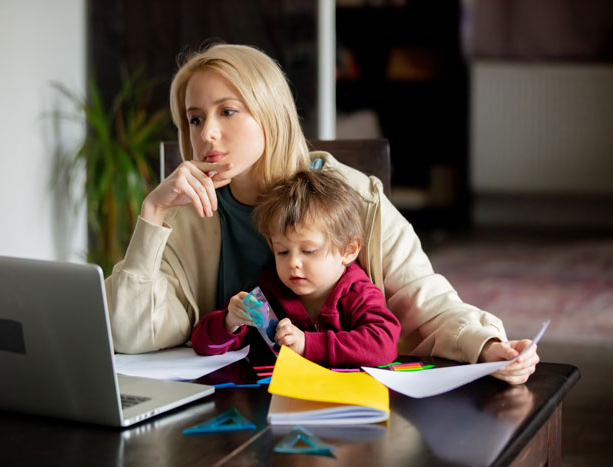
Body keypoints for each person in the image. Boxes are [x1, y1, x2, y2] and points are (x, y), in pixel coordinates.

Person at [104, 43, 539, 384]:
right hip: (231, 400)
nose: (208, 133)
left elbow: (423, 300)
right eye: (195, 119)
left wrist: (487, 346)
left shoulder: (350, 196)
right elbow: (131, 332)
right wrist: (153, 211)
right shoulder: (186, 213)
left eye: (228, 111)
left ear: (270, 113)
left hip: (342, 398)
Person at [190, 170, 401, 367]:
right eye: (282, 252)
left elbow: (384, 345)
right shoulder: (267, 294)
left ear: (349, 250)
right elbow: (202, 345)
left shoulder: (358, 294)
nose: (293, 263)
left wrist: (307, 344)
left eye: (309, 251)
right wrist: (229, 321)